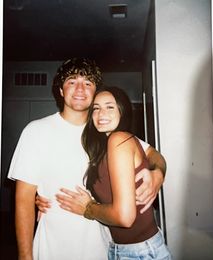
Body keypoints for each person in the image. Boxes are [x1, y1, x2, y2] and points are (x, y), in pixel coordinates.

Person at [8, 58, 166, 260]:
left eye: (88, 83)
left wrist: (158, 174)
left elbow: (155, 156)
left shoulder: (106, 131)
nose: (80, 88)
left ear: (95, 93)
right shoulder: (36, 131)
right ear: (61, 91)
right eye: (72, 81)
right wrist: (25, 255)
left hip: (101, 247)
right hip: (53, 247)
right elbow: (23, 199)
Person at [55, 86, 171, 259]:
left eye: (110, 107)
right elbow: (154, 155)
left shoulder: (119, 139)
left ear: (122, 111)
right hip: (123, 249)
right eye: (96, 108)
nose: (101, 114)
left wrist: (88, 208)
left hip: (140, 253)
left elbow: (125, 217)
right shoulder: (105, 144)